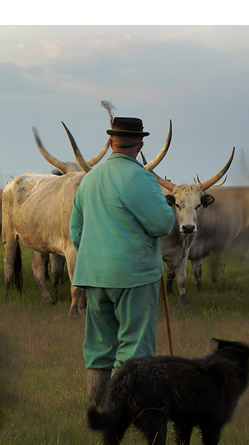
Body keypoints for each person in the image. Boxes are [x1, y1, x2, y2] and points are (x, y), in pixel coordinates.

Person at [69, 116, 175, 408]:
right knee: (135, 347)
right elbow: (163, 223)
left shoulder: (88, 179)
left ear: (112, 142)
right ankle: (126, 413)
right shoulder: (140, 177)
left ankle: (97, 410)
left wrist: (96, 254)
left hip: (92, 274)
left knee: (99, 346)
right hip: (133, 275)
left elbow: (75, 232)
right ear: (140, 145)